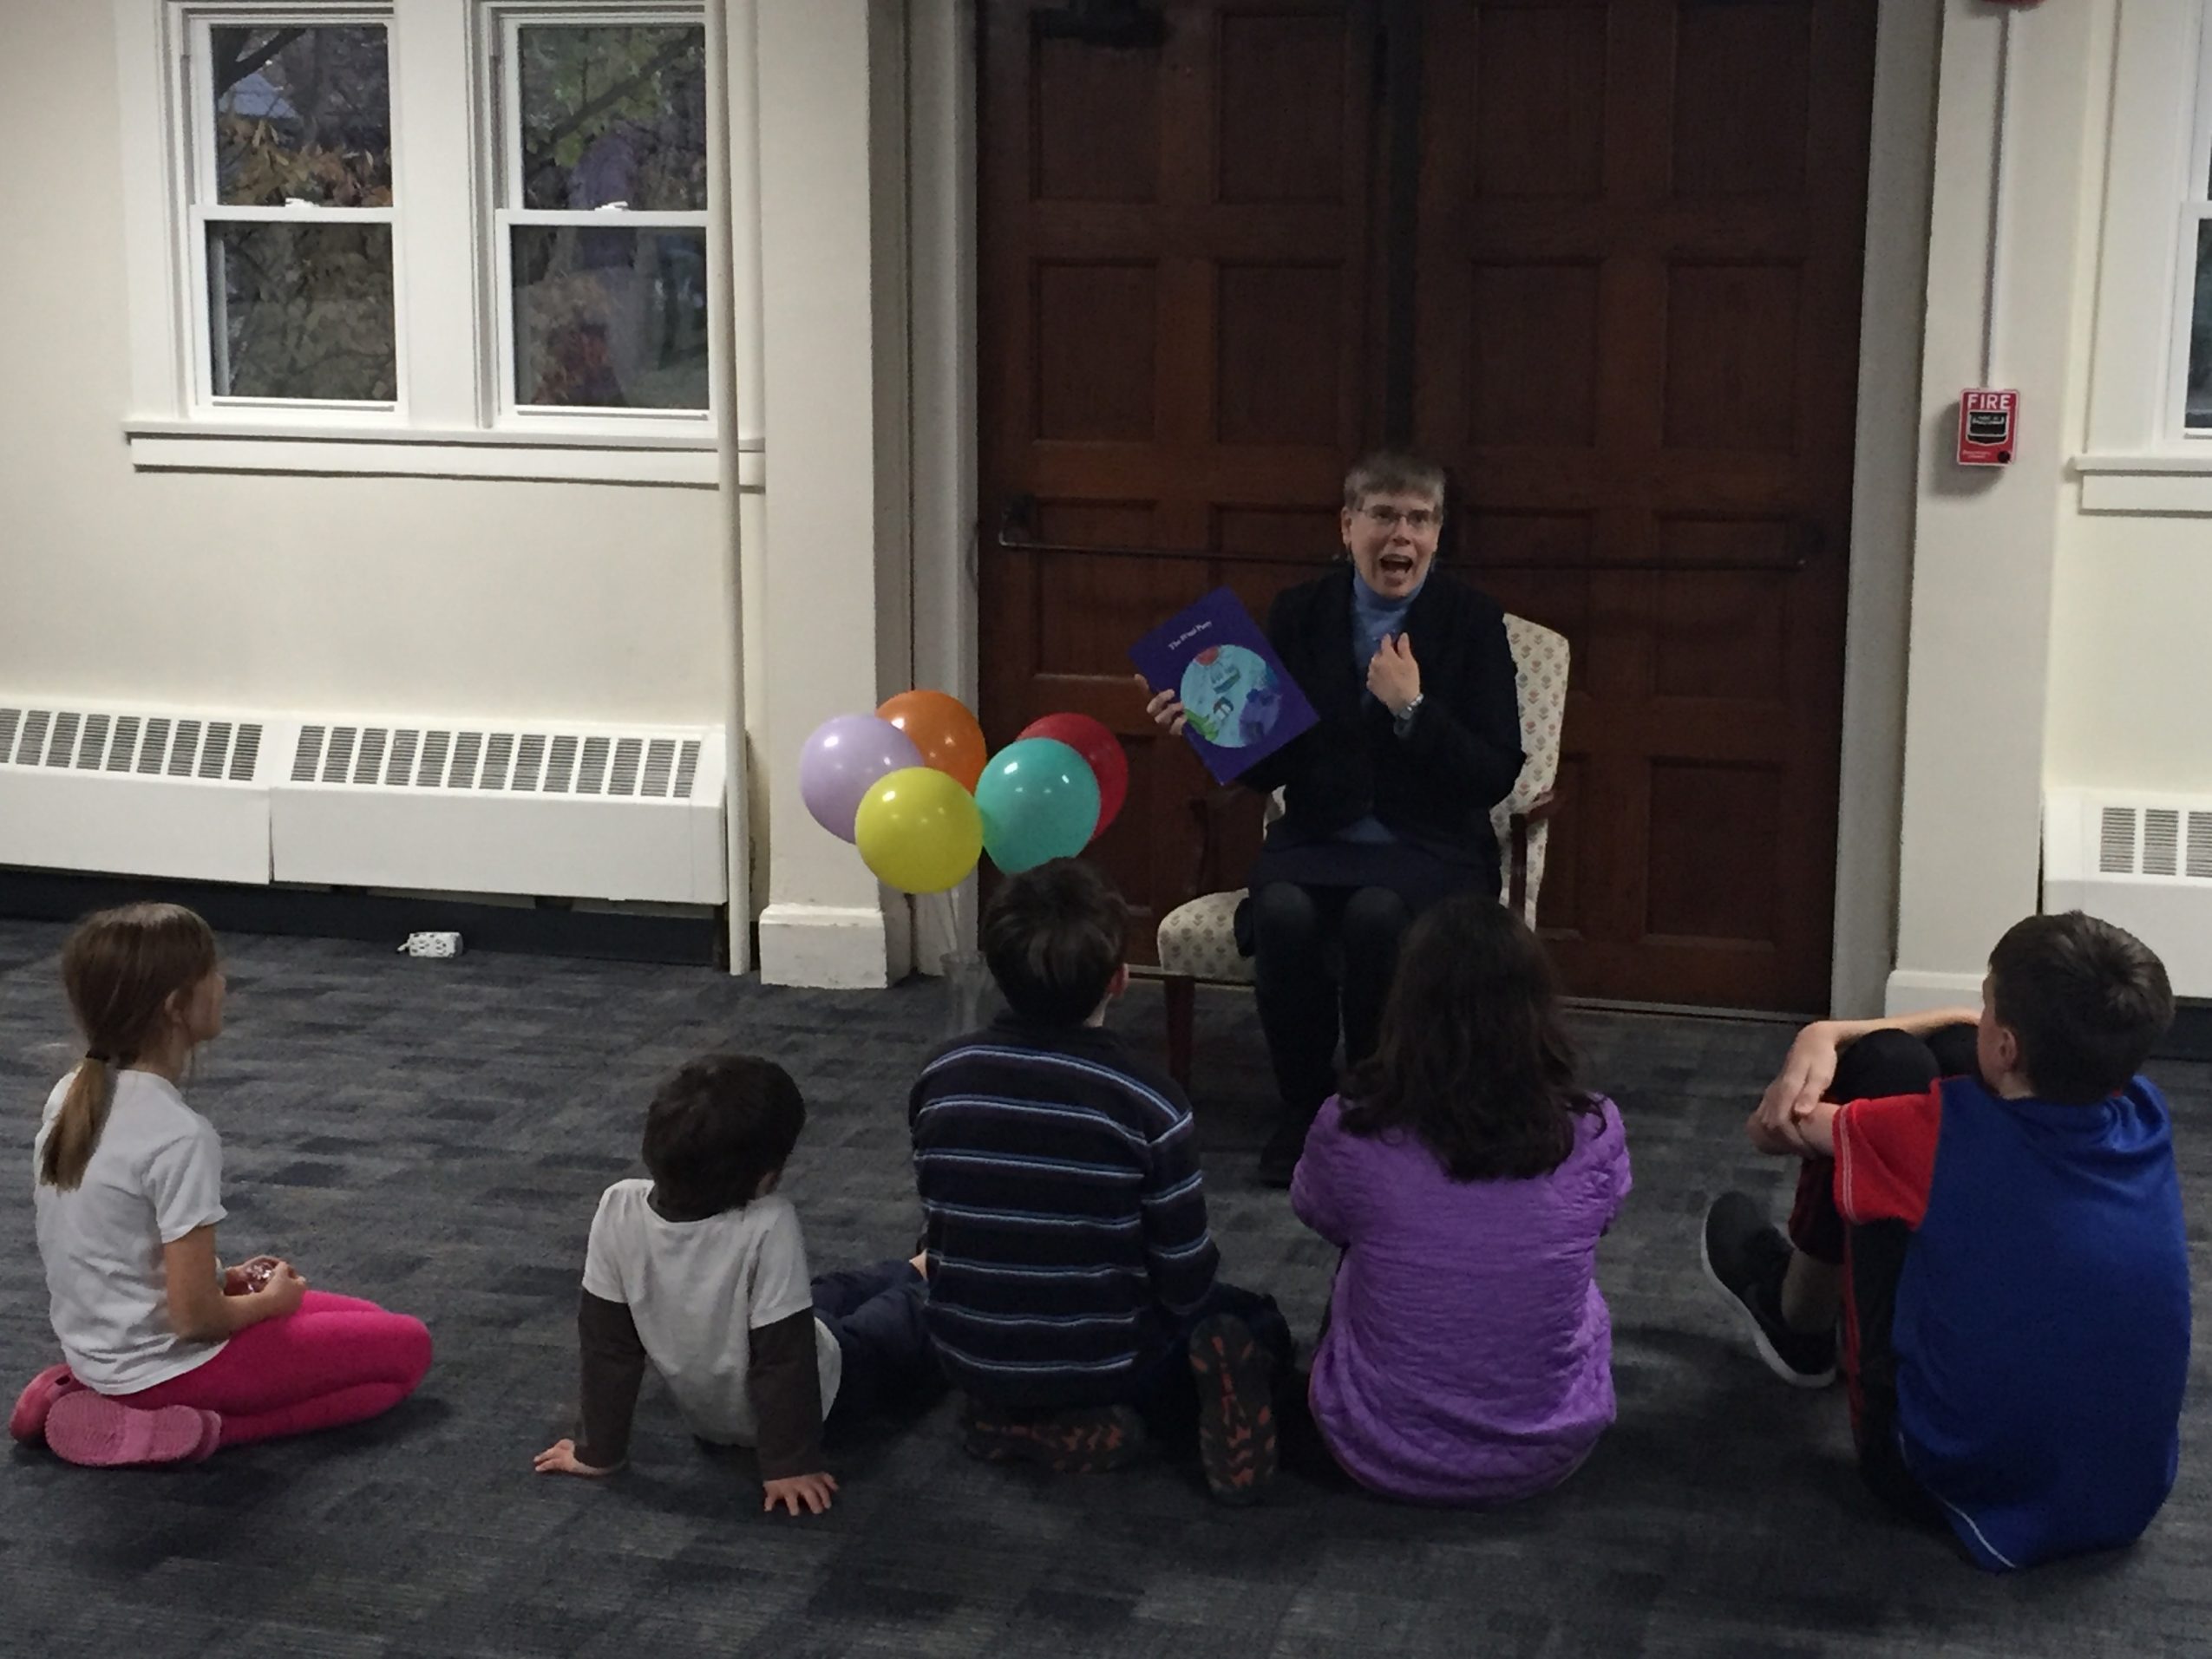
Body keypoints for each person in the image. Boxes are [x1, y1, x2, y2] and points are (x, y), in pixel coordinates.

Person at [1703, 911, 2189, 1571]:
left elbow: (1773, 1128)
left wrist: (1824, 1035)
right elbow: (1968, 1029)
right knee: (1951, 1054)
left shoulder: (1932, 1136)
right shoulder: (2146, 1111)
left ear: (2009, 1045)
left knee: (1878, 1070)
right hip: (2124, 1497)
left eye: (1989, 1005)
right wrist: (1852, 1030)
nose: (1975, 1013)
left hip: (1930, 1479)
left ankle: (1801, 1322)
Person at [1143, 451, 1524, 1185]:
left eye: (1419, 519)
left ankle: (1376, 1107)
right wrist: (1206, 725)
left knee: (1376, 916)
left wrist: (1413, 708)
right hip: (1318, 839)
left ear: (1437, 534)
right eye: (1383, 515)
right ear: (1347, 526)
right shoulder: (1300, 611)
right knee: (1281, 913)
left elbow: (1494, 770)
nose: (1401, 535)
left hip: (1432, 846)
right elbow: (1271, 765)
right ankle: (1306, 1108)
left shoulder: (1473, 621)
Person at [909, 859, 1293, 1504]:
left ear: (997, 971)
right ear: (1119, 979)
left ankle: (1009, 1414)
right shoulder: (1151, 1104)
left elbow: (940, 1214)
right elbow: (1184, 1274)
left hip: (968, 1349)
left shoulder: (940, 1078)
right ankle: (1144, 1411)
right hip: (1104, 1359)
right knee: (1252, 1320)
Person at [10, 904, 432, 1467]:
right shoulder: (177, 1135)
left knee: (370, 1320)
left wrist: (227, 1279)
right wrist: (265, 1304)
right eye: (212, 972)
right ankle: (192, 1428)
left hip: (101, 1350)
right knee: (407, 1352)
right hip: (167, 1369)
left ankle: (74, 1388)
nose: (224, 983)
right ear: (175, 1006)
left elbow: (117, 1246)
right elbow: (195, 1321)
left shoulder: (72, 1091)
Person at [1291, 894, 1630, 1504]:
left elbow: (1319, 1212)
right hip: (1550, 1450)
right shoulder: (1595, 1128)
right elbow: (1603, 1218)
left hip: (1375, 1449)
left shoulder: (1350, 1127)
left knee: (1361, 1255)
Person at [533, 1054, 942, 1516]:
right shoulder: (768, 1222)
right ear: (767, 1176)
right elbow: (785, 1359)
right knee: (903, 1318)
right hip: (829, 1390)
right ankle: (950, 1272)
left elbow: (607, 1347)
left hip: (716, 1416)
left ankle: (919, 1264)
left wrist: (598, 1452)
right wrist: (789, 1464)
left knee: (830, 1291)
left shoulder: (618, 1206)